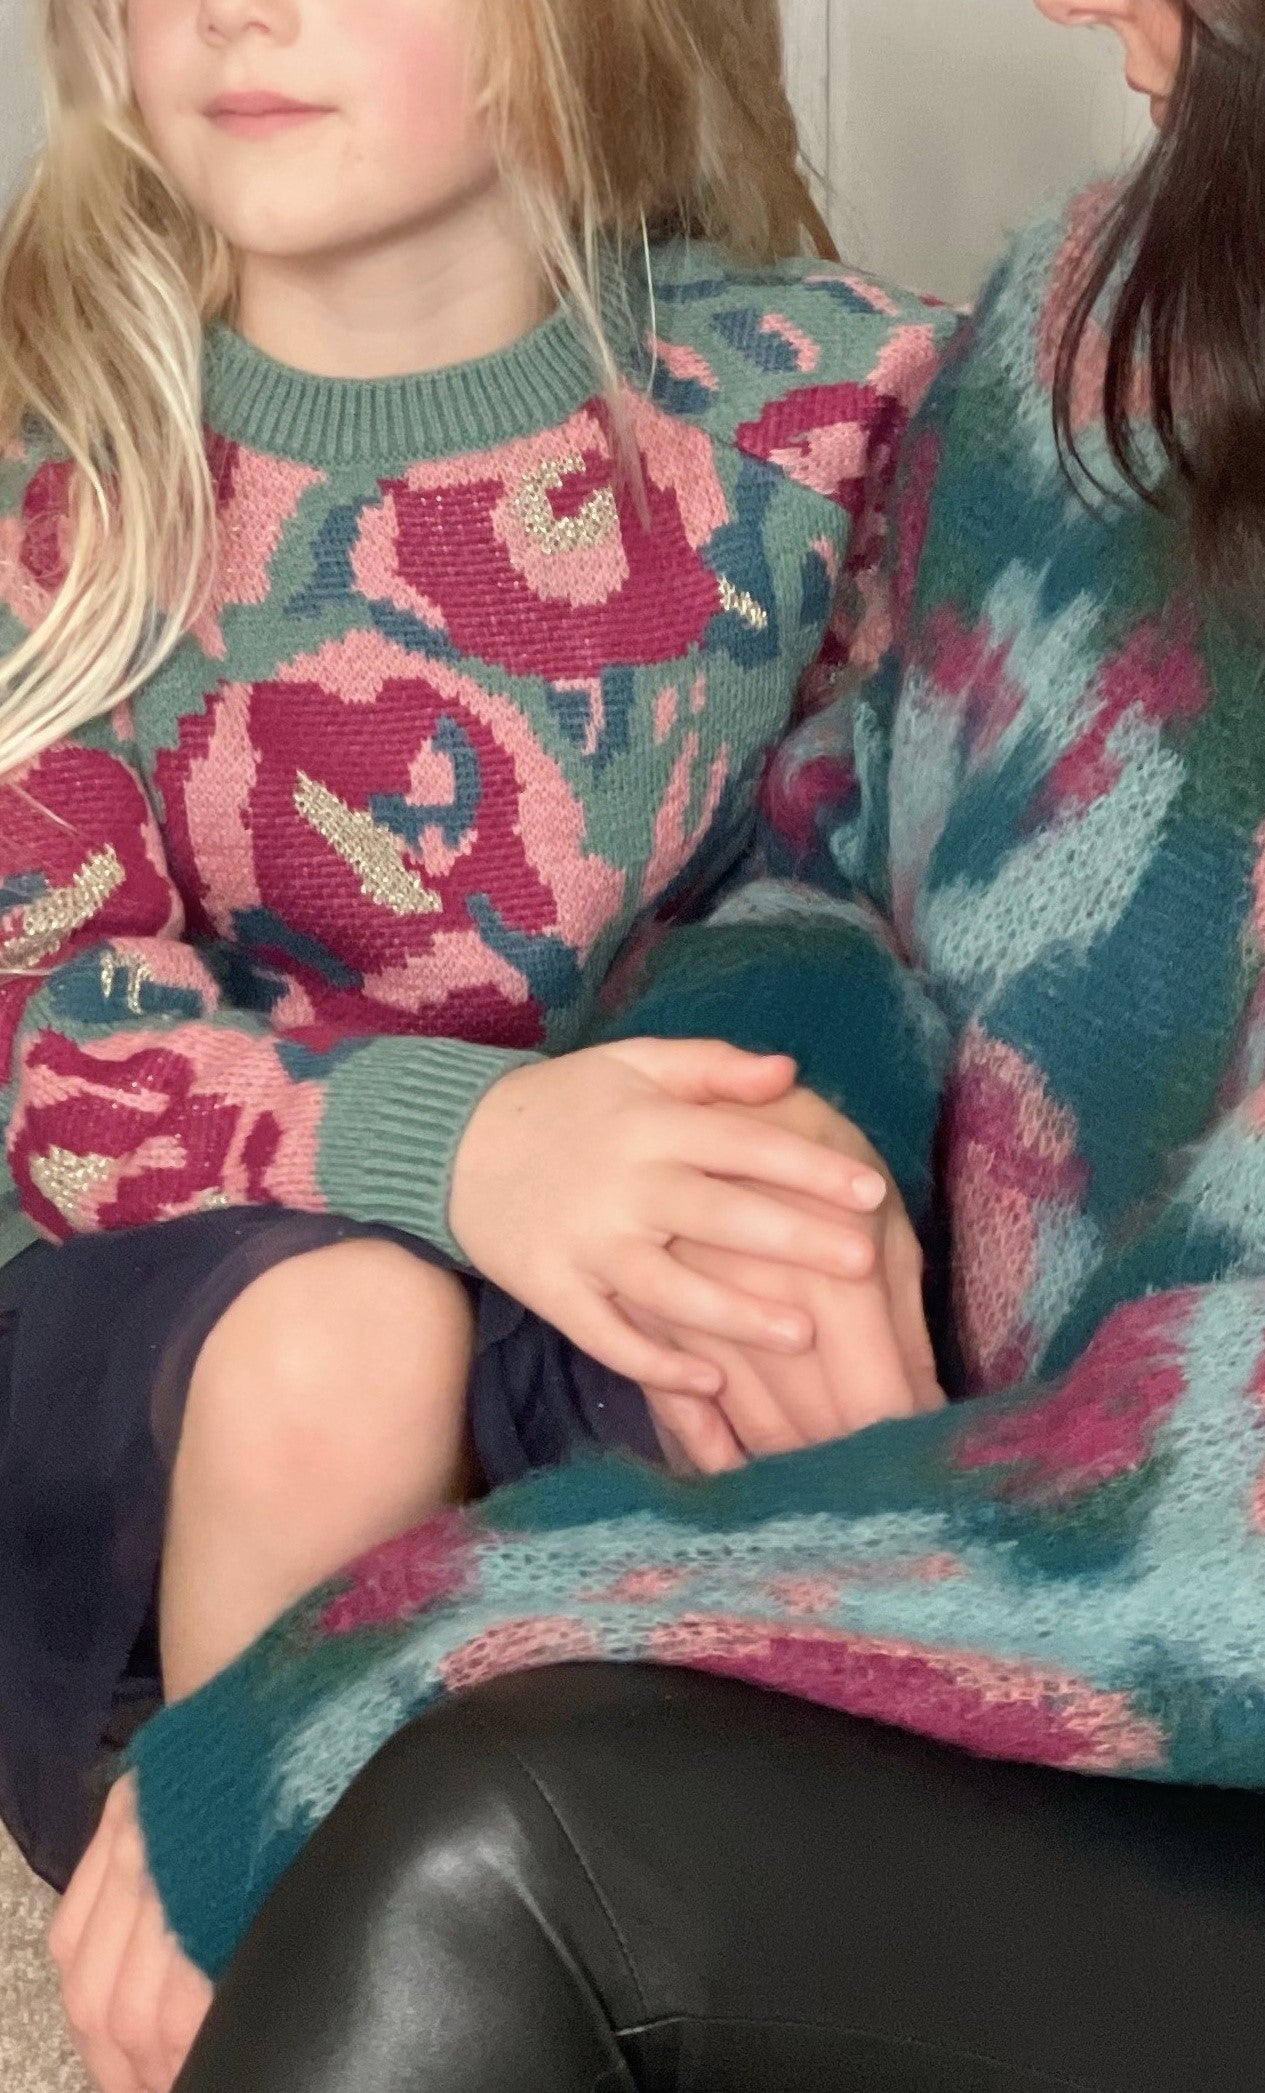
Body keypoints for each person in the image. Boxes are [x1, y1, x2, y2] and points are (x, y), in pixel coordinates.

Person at [53, 0, 1265, 2086]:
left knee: (473, 1836)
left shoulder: (811, 390)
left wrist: (428, 1631)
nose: (1057, 4)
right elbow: (829, 846)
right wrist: (786, 1175)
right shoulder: (1091, 328)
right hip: (968, 1578)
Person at [0, 0, 952, 1931]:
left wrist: (741, 1160)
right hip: (171, 1378)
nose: (229, 9)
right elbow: (49, 1040)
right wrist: (471, 1146)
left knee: (779, 1204)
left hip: (586, 1308)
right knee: (347, 1342)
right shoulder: (73, 489)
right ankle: (257, 1936)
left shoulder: (828, 405)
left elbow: (874, 860)